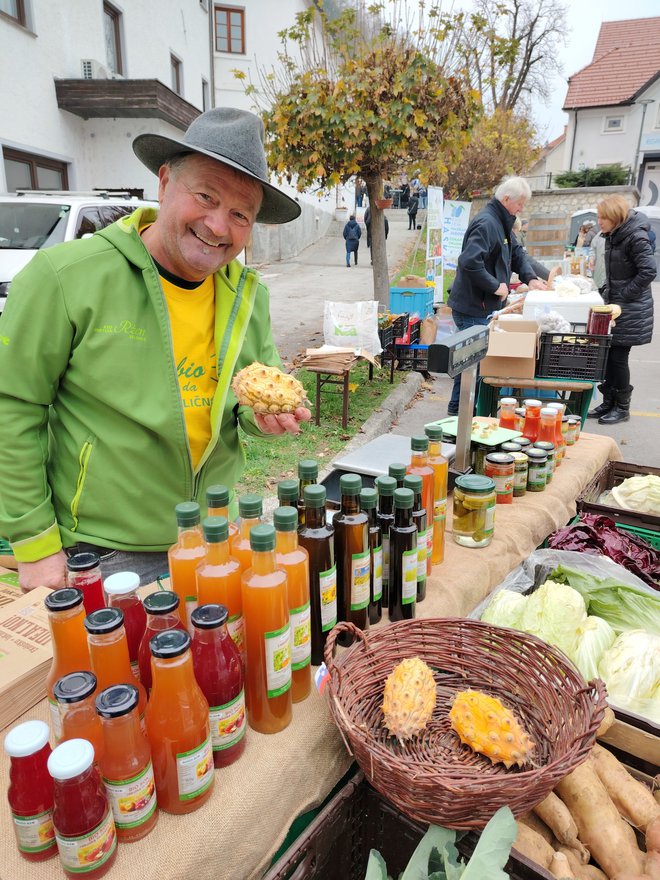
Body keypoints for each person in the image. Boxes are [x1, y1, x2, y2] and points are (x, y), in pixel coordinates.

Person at [0, 107, 311, 591]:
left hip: (213, 537)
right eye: (205, 196)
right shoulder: (65, 277)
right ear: (165, 183)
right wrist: (36, 542)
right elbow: (12, 407)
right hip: (102, 551)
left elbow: (246, 395)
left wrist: (262, 418)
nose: (218, 226)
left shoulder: (247, 294)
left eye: (239, 214)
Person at [446, 177, 546, 415]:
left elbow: (517, 253)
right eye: (520, 203)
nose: (522, 208)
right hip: (472, 306)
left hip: (482, 304)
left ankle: (463, 412)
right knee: (472, 364)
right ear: (507, 199)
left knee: (473, 362)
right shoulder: (487, 223)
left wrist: (530, 278)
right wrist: (494, 286)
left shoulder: (502, 222)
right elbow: (469, 262)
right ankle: (460, 414)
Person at [586, 195, 655, 425]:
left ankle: (622, 408)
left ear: (614, 217)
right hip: (616, 304)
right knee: (608, 356)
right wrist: (607, 290)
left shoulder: (635, 236)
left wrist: (623, 296)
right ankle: (609, 401)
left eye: (602, 217)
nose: (599, 221)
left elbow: (648, 271)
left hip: (631, 308)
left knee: (618, 358)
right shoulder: (612, 235)